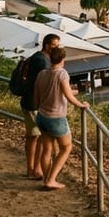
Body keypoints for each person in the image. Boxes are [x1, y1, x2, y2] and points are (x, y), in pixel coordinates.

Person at [34, 46, 90, 190]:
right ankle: (51, 179)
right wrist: (81, 105)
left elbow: (38, 96)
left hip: (42, 115)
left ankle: (47, 179)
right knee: (66, 147)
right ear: (63, 59)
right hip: (56, 117)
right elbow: (68, 94)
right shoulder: (62, 74)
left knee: (47, 149)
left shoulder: (42, 74)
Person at [20, 34, 60, 179]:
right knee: (40, 137)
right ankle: (35, 170)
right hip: (35, 103)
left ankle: (31, 169)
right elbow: (46, 82)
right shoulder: (43, 62)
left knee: (33, 137)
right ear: (47, 45)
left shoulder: (38, 57)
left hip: (30, 101)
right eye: (55, 45)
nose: (57, 48)